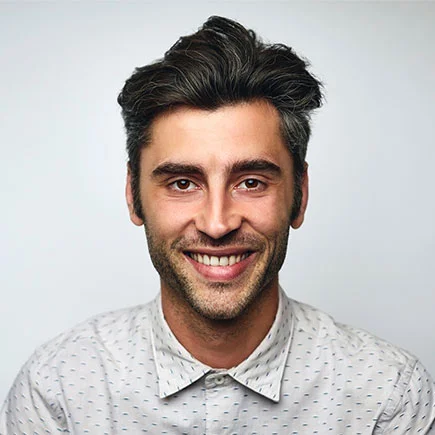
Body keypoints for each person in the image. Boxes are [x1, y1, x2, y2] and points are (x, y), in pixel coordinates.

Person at [1, 15, 434, 434]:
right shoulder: (57, 391)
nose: (217, 223)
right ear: (133, 194)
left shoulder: (387, 395)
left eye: (251, 182)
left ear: (299, 195)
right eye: (183, 183)